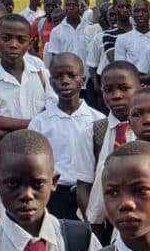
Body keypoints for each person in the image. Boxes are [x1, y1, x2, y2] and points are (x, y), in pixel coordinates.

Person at [29, 53, 106, 221]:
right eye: (57, 76)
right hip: (55, 195)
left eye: (71, 75)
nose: (64, 81)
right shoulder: (40, 122)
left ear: (83, 80)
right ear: (50, 82)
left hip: (90, 193)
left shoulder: (98, 120)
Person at [0, 14, 52, 154]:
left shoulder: (44, 77)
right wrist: (36, 125)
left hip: (43, 157)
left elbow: (54, 123)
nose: (13, 45)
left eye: (21, 40)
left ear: (29, 44)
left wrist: (1, 122)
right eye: (6, 38)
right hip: (4, 160)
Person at [75, 62, 141, 234]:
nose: (116, 96)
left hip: (141, 218)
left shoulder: (146, 131)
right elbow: (83, 186)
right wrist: (92, 228)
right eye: (108, 90)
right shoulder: (93, 132)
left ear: (140, 89)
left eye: (124, 88)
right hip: (102, 225)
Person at [46, 0, 90, 64]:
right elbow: (56, 57)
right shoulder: (56, 31)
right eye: (68, 5)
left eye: (75, 5)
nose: (71, 7)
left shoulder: (89, 28)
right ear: (63, 7)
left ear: (80, 7)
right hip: (66, 73)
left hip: (86, 73)